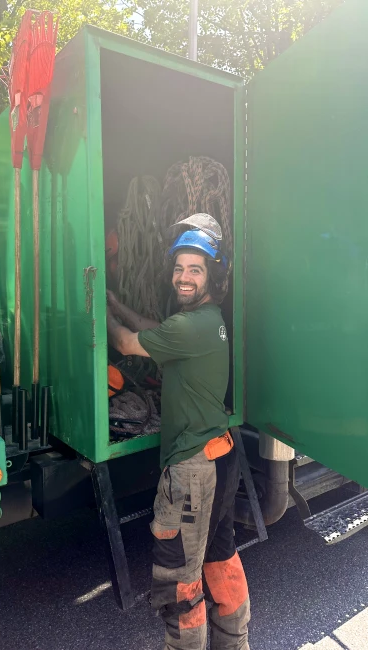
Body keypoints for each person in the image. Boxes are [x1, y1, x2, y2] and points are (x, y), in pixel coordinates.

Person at [107, 214, 250, 650]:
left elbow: (131, 344)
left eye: (195, 269)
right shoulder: (208, 321)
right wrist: (117, 304)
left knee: (180, 583)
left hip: (192, 471)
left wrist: (95, 311)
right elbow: (155, 330)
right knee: (219, 557)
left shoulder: (193, 325)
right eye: (179, 268)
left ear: (213, 275)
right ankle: (235, 643)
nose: (182, 278)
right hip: (219, 457)